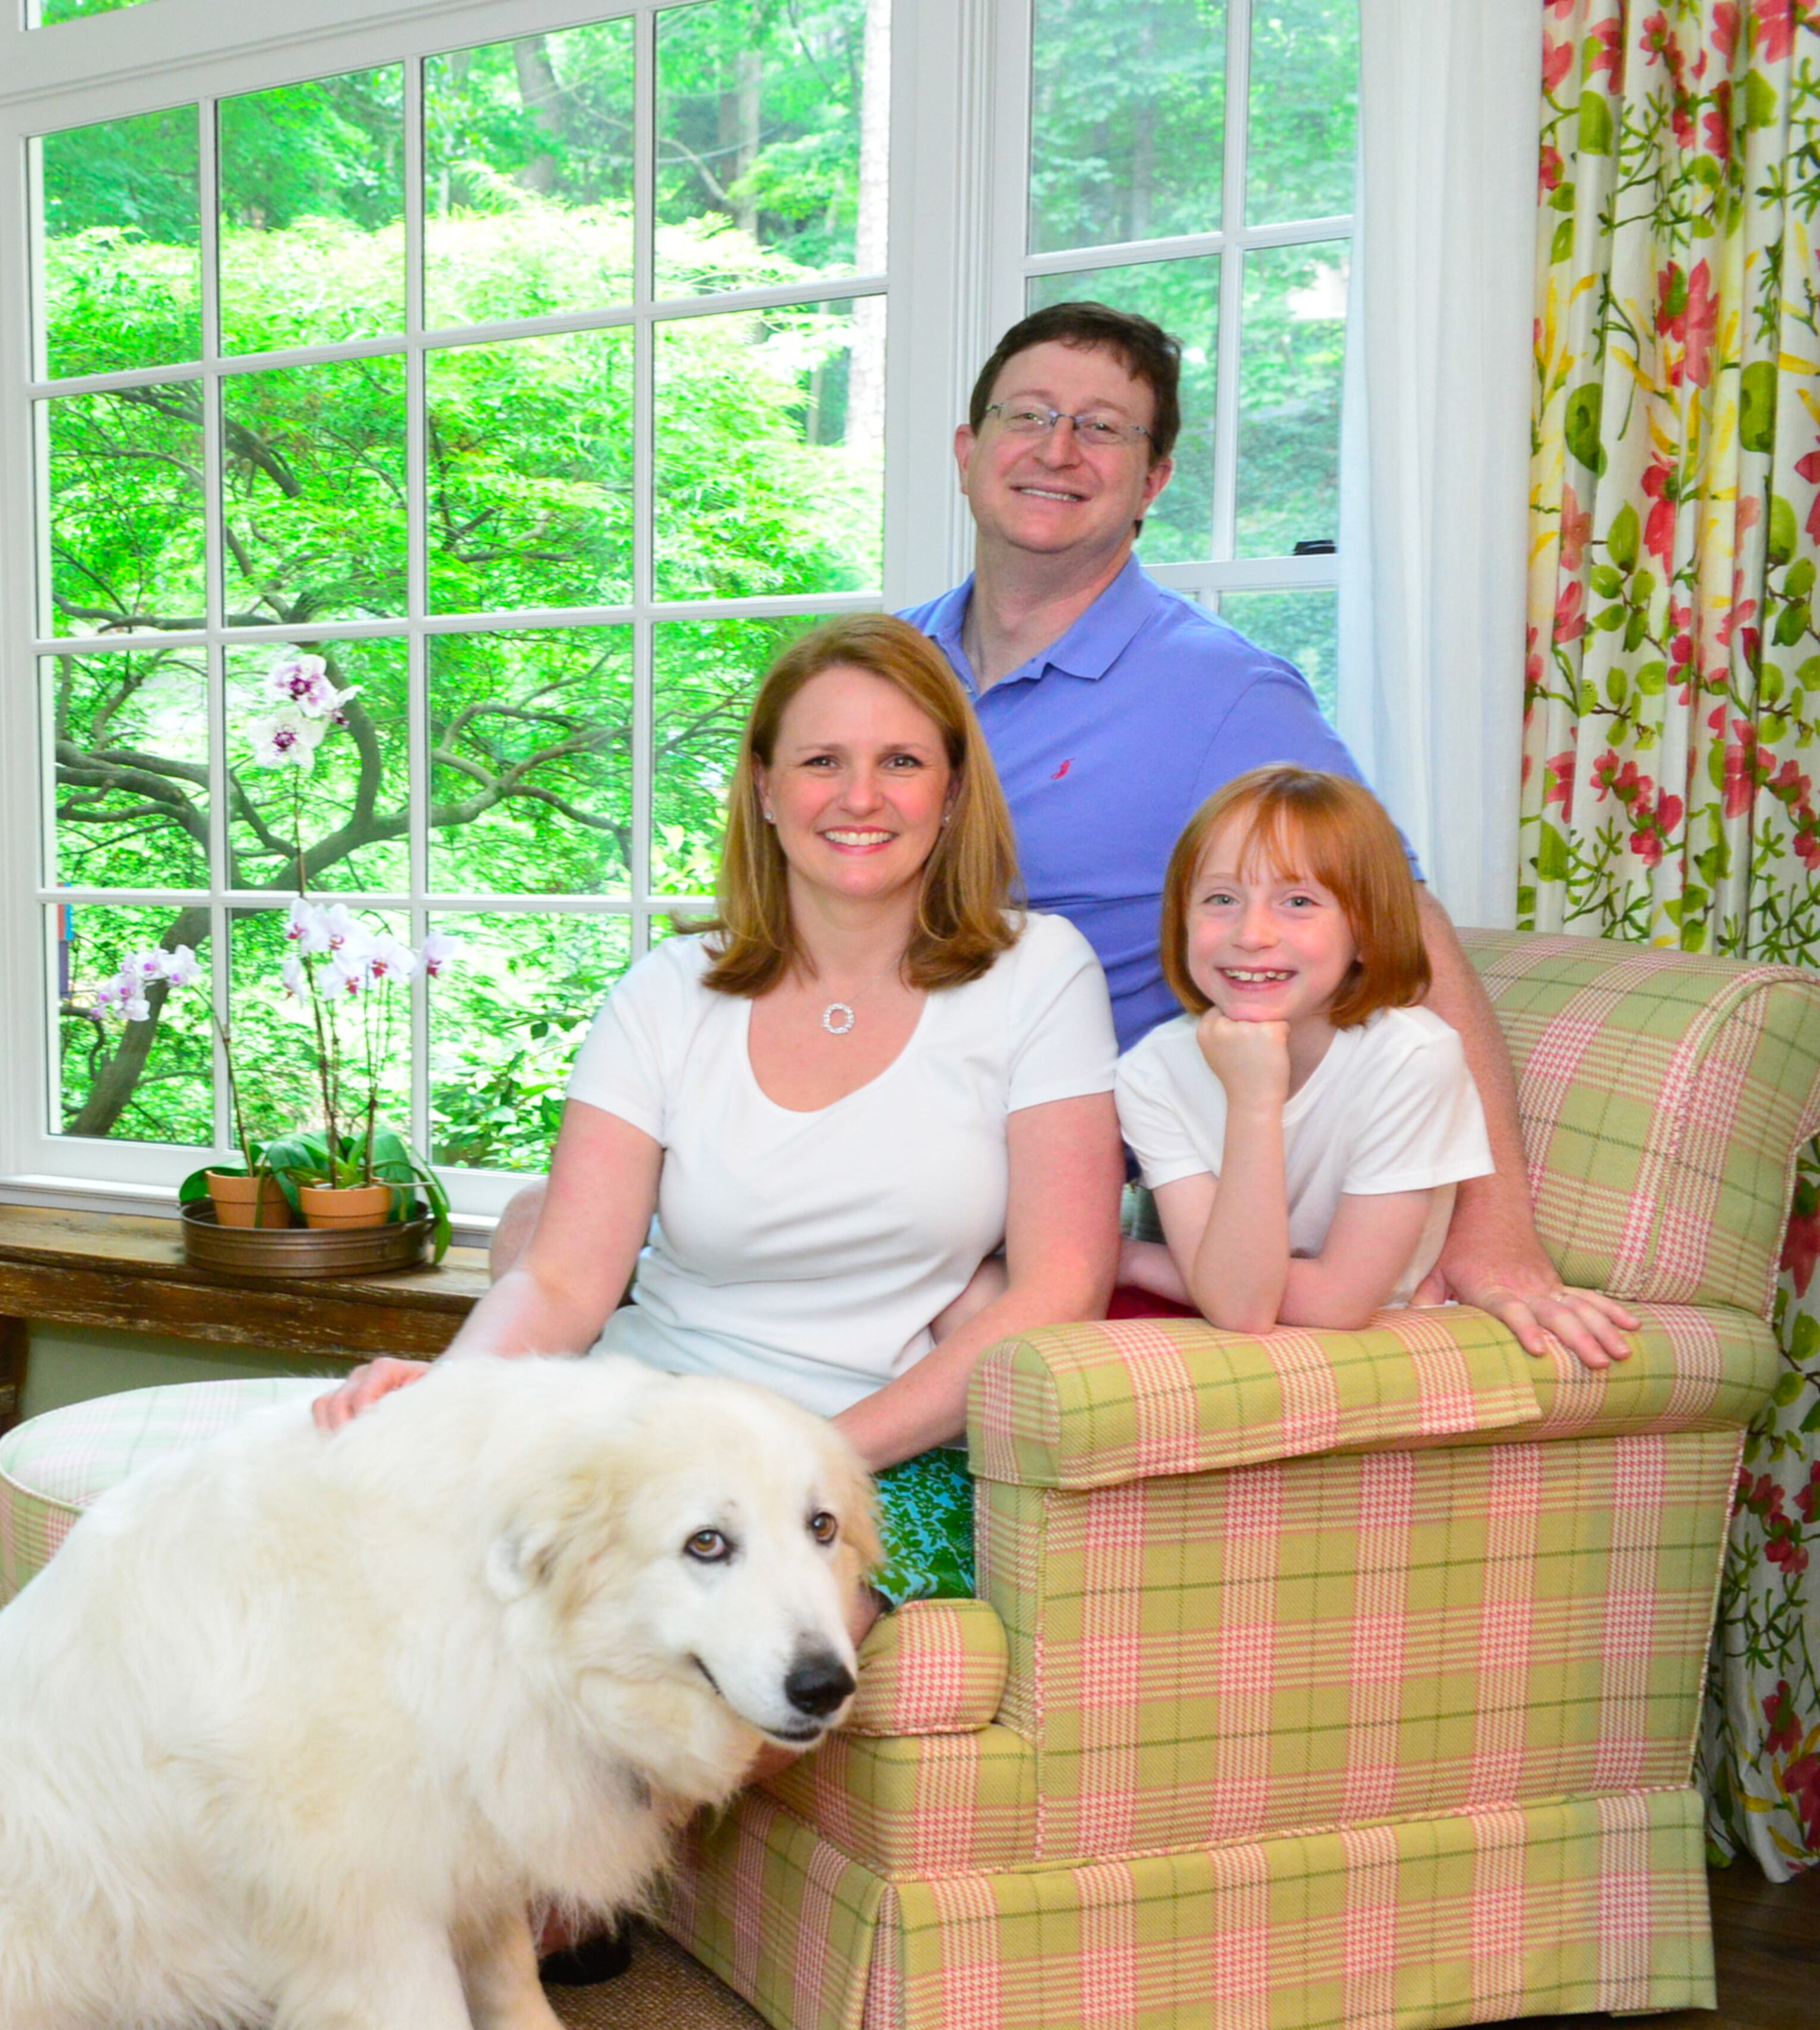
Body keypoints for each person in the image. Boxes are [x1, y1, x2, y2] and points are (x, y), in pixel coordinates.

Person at [312, 614, 1124, 1622]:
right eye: (822, 759)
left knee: (684, 1673)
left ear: (953, 791)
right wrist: (446, 1399)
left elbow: (1059, 1287)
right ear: (766, 788)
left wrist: (811, 1458)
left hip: (876, 1455)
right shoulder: (666, 990)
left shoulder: (1038, 973)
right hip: (649, 1423)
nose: (861, 795)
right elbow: (565, 1277)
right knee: (427, 1627)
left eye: (902, 760)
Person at [901, 299, 1636, 1370]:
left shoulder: (1223, 692)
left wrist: (1498, 1239)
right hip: (871, 1098)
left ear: (1153, 480)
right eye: (1028, 415)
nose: (1057, 449)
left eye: (1104, 427)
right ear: (970, 450)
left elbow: (1403, 926)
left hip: (1034, 1159)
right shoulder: (891, 663)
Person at [1112, 765, 1495, 1332]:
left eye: (1297, 901)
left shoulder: (1413, 1058)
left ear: (1365, 930)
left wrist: (1137, 1259)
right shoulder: (1153, 1069)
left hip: (1372, 1339)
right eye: (1221, 897)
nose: (1252, 933)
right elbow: (1239, 1305)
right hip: (1224, 1321)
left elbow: (1320, 1305)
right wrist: (1213, 1279)